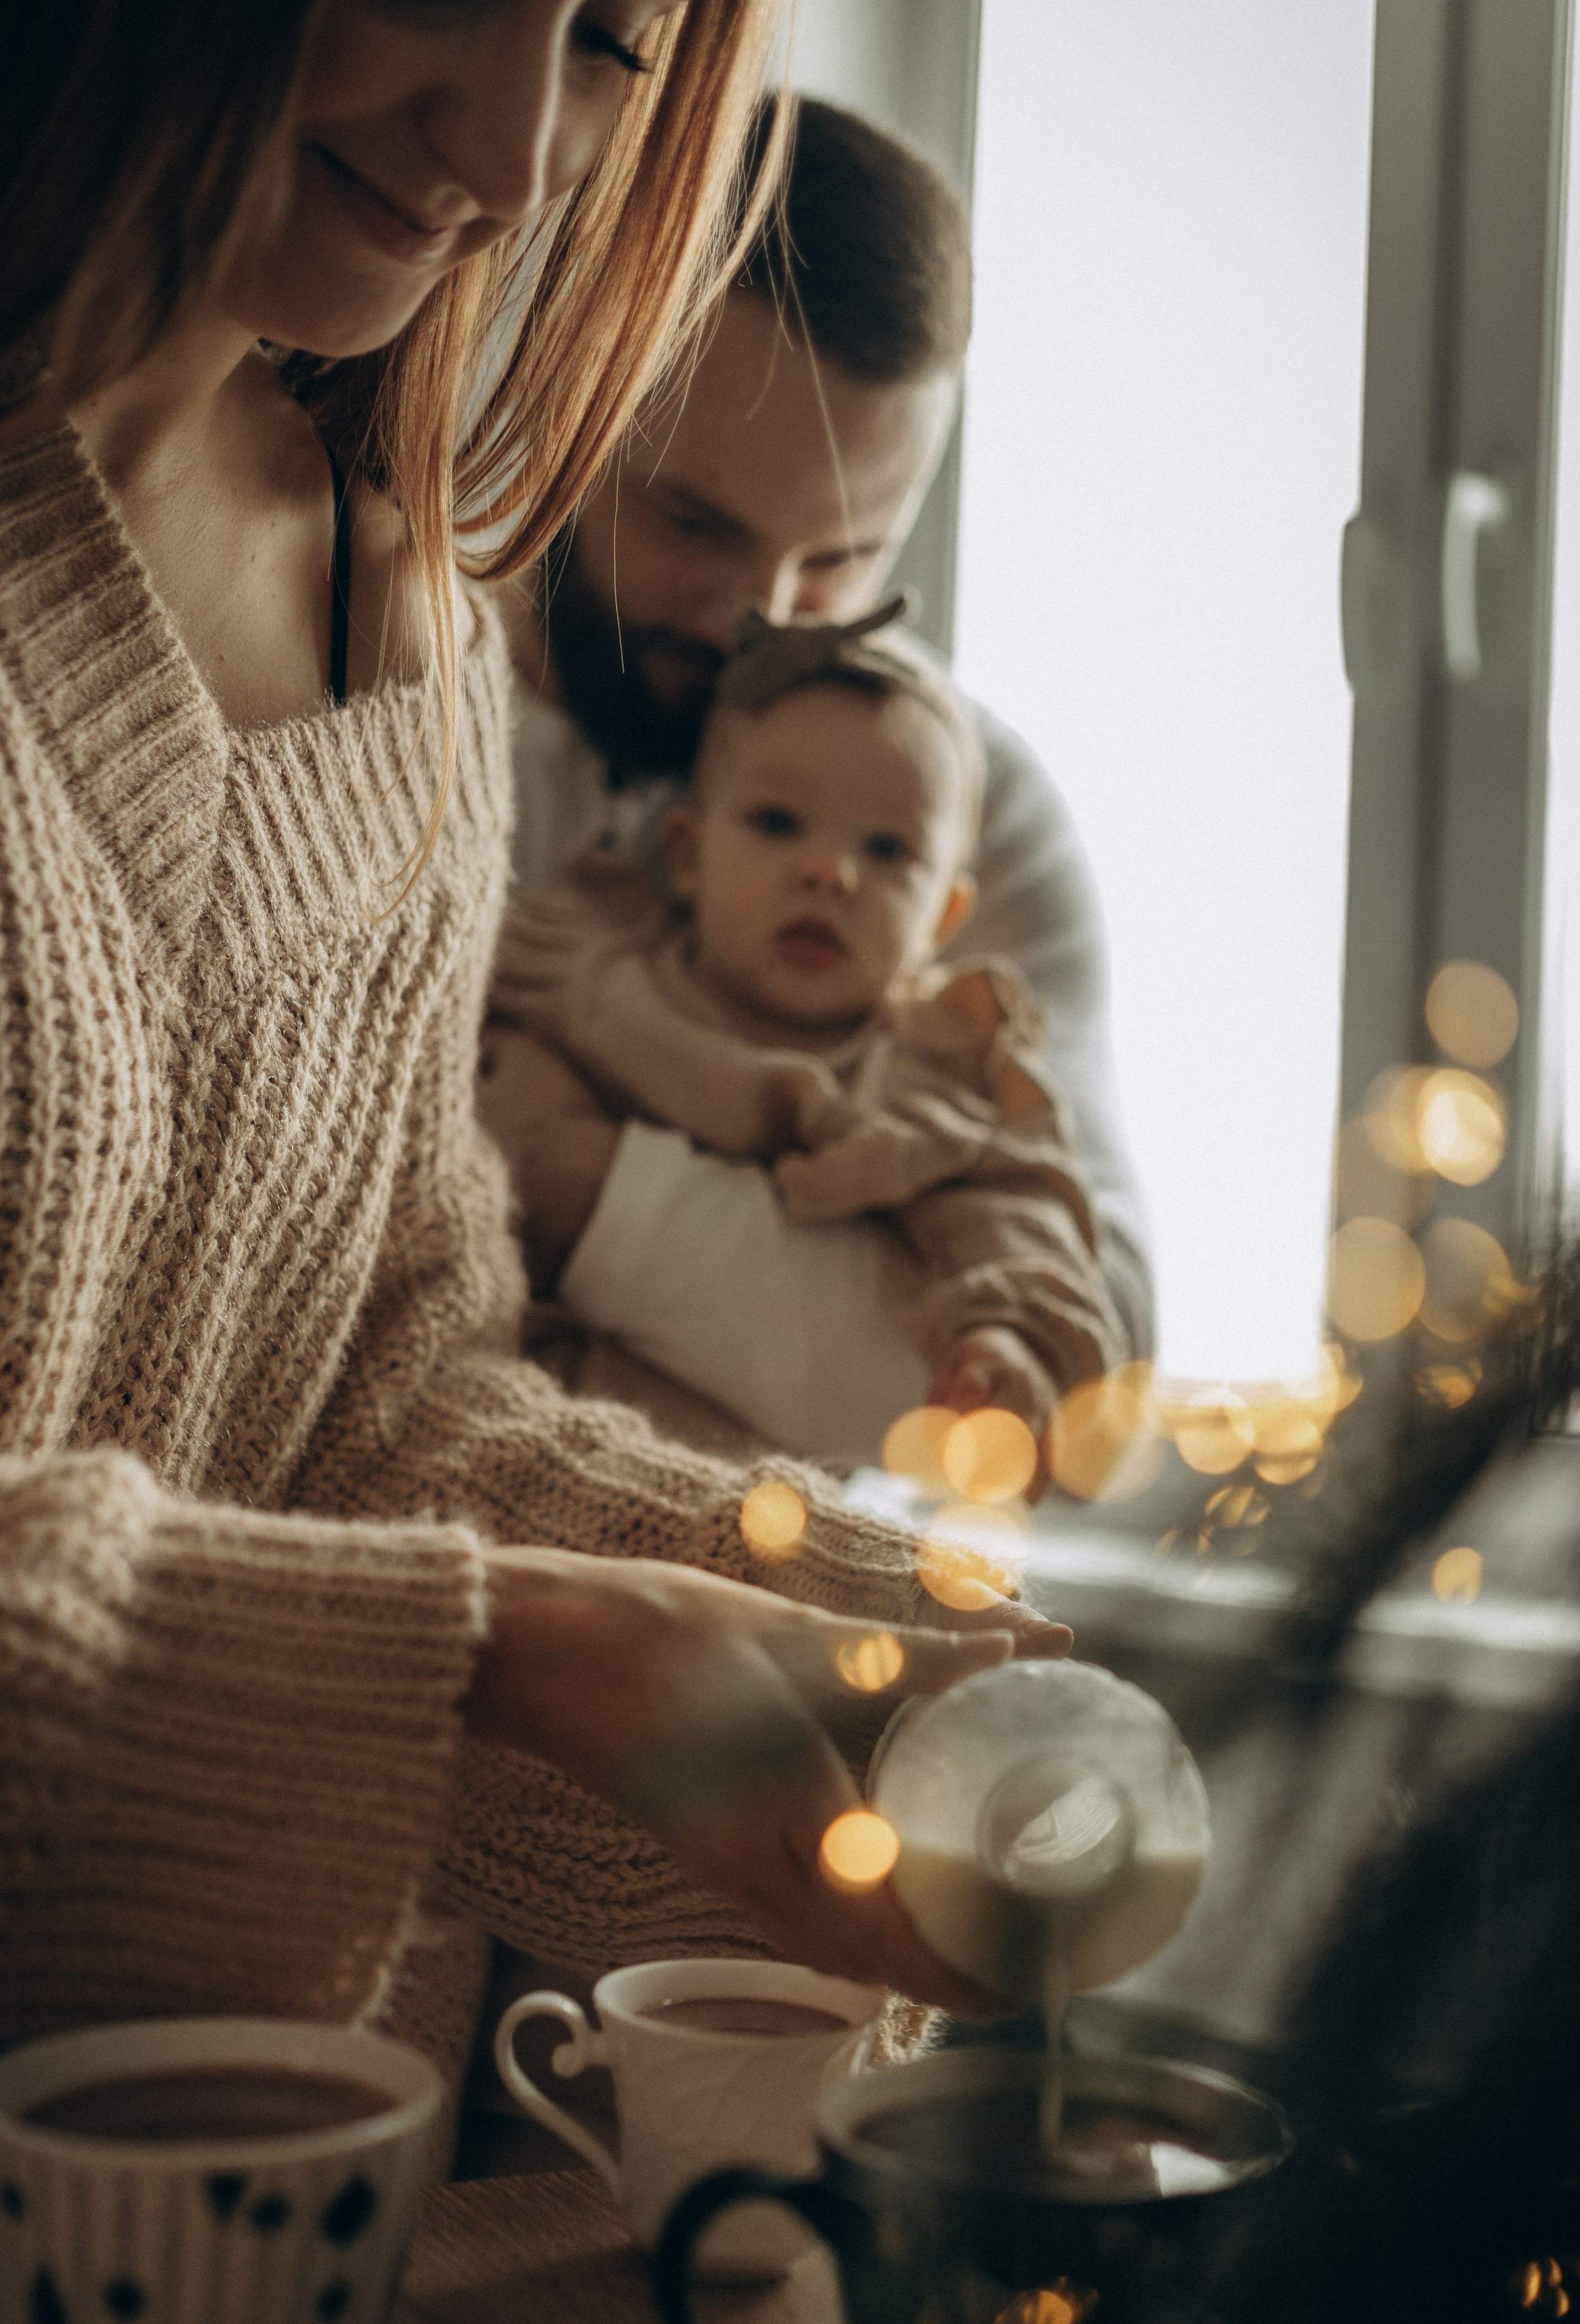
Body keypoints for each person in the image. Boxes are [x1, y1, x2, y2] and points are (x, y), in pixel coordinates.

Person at [0, 0, 1069, 2137]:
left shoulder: (416, 633)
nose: (519, 148)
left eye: (610, 42)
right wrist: (491, 1645)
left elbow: (376, 1403)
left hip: (197, 2220)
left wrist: (842, 1612)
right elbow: (429, 1590)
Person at [494, 95, 1153, 1467]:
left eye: (844, 558)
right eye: (693, 521)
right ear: (571, 375)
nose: (763, 619)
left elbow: (1066, 1407)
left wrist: (588, 1197)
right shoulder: (370, 669)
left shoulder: (964, 812)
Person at [484, 600, 1129, 1454]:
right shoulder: (596, 958)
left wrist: (1002, 1339)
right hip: (502, 1398)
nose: (829, 872)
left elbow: (1018, 1220)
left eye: (888, 852)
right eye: (778, 823)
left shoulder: (927, 1073)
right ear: (688, 853)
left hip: (733, 1483)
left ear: (944, 918)